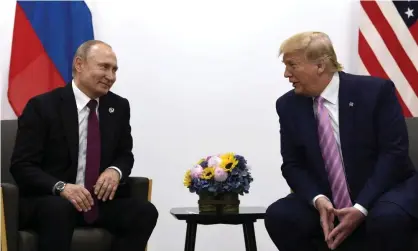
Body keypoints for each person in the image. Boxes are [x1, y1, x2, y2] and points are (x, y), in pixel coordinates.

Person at [264, 31, 418, 251]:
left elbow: (393, 154)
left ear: (320, 66)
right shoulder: (288, 106)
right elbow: (292, 164)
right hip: (327, 197)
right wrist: (318, 199)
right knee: (280, 216)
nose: (286, 74)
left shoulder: (375, 91)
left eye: (292, 65)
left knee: (387, 218)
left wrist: (361, 207)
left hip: (384, 191)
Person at [10, 40, 158, 251]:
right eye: (104, 67)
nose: (111, 76)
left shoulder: (118, 107)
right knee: (60, 210)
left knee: (144, 211)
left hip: (97, 201)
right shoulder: (42, 106)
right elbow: (22, 166)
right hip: (51, 200)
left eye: (114, 69)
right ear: (79, 65)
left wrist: (115, 171)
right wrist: (61, 187)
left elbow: (125, 155)